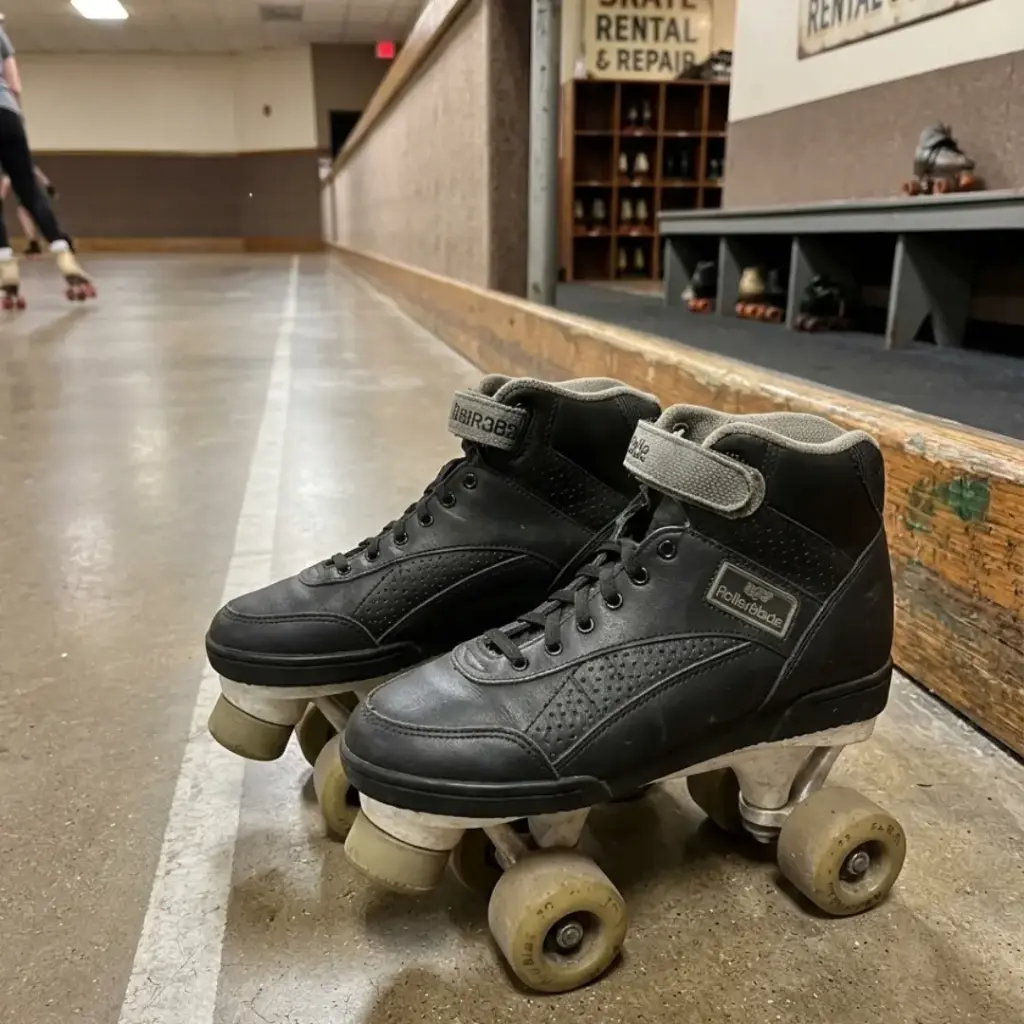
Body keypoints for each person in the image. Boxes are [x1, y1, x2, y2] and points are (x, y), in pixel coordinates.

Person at [0, 18, 93, 305]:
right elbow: (14, 84)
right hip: (7, 114)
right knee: (29, 190)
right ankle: (63, 254)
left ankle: (6, 268)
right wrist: (18, 119)